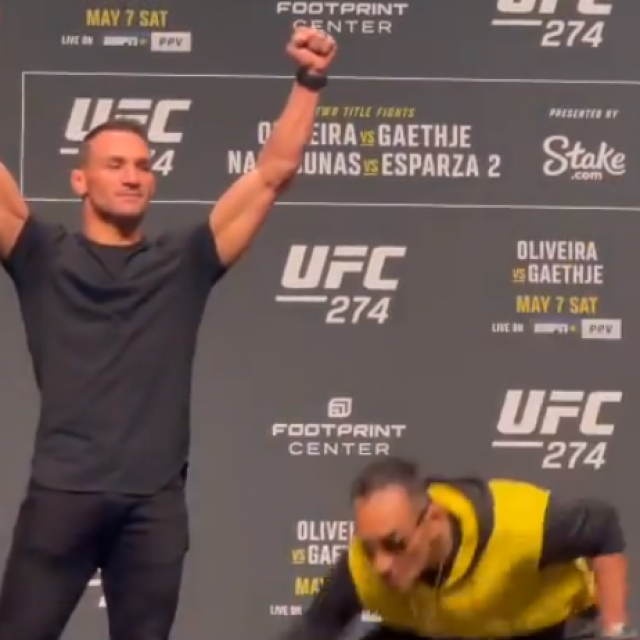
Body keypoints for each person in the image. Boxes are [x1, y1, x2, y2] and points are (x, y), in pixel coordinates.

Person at [0, 25, 336, 640]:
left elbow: (273, 173)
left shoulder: (184, 262)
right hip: (62, 497)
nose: (132, 176)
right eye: (115, 165)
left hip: (151, 509)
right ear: (81, 180)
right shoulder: (41, 254)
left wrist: (310, 80)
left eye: (143, 166)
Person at [284, 457, 633, 640]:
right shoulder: (362, 569)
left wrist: (614, 629)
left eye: (395, 544)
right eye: (369, 548)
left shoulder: (519, 524)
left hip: (544, 626)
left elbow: (603, 528)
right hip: (447, 630)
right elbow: (317, 627)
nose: (382, 565)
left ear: (434, 519)